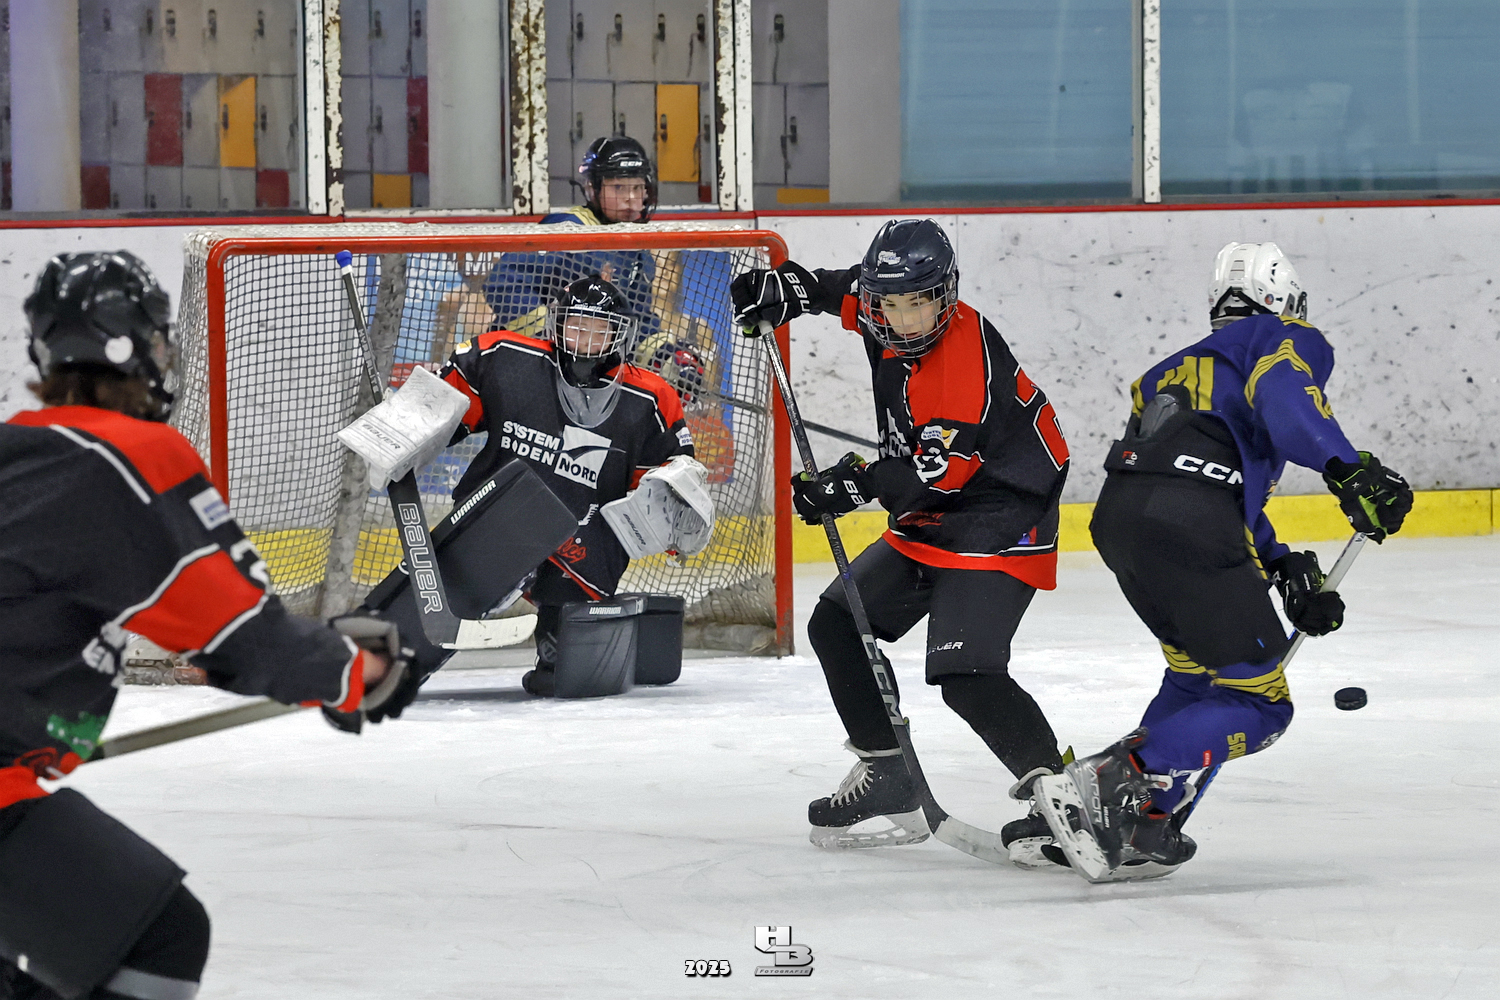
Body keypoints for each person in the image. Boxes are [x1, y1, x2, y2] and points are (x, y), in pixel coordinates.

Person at [0, 252, 410, 1000]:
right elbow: (244, 635)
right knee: (162, 936)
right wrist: (353, 671)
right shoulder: (129, 456)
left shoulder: (16, 449)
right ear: (132, 349)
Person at [1037, 242, 1414, 882]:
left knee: (1195, 678)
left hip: (1122, 522)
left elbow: (1190, 479)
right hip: (1192, 522)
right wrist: (1348, 469)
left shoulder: (1177, 369)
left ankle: (1138, 822)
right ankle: (1105, 783)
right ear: (1286, 303)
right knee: (1261, 706)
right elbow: (1286, 397)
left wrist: (1279, 565)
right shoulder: (1282, 336)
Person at [730, 219, 1073, 863]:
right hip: (935, 514)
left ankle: (1064, 799)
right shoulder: (882, 312)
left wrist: (851, 484)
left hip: (1001, 514)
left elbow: (935, 475)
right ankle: (887, 772)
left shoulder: (963, 361)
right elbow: (837, 290)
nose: (906, 320)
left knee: (965, 672)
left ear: (945, 295)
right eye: (890, 303)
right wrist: (788, 288)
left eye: (919, 303)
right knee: (836, 624)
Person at [432, 274, 706, 696]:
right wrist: (409, 422)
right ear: (556, 324)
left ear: (619, 334)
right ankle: (407, 651)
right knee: (445, 597)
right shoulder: (504, 357)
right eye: (576, 325)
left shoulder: (652, 398)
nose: (585, 338)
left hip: (583, 532)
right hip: (499, 516)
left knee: (567, 670)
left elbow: (662, 486)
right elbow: (438, 412)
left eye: (599, 329)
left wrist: (672, 516)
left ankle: (556, 646)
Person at [485, 137, 660, 339]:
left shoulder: (636, 247)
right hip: (532, 350)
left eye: (637, 188)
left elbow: (637, 316)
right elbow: (502, 282)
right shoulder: (567, 229)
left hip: (588, 351)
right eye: (618, 187)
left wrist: (663, 351)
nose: (631, 198)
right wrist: (547, 335)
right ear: (592, 188)